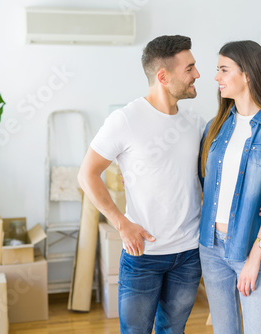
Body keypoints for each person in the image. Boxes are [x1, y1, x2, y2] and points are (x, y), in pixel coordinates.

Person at [77, 35, 205, 334]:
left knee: (173, 331)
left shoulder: (195, 123)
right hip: (143, 254)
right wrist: (121, 223)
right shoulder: (125, 120)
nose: (197, 74)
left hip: (188, 253)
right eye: (190, 68)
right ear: (163, 76)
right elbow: (87, 175)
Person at [198, 40, 261, 334]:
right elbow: (205, 184)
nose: (216, 77)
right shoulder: (215, 126)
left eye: (224, 69)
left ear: (248, 74)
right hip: (211, 246)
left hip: (251, 246)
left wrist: (256, 257)